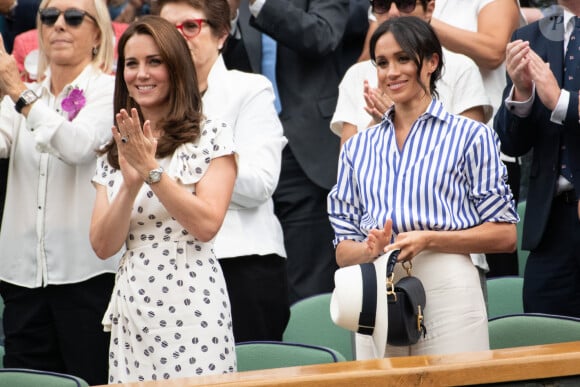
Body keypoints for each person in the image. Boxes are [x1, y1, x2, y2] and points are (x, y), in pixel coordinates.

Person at [328, 16, 518, 356]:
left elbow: (504, 236)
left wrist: (430, 238)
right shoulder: (358, 147)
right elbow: (343, 251)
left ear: (431, 62)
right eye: (382, 63)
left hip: (448, 281)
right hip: (374, 286)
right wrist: (368, 250)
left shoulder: (471, 135)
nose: (391, 72)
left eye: (403, 59)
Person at [90, 15, 238, 383]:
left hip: (193, 307)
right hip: (132, 304)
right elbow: (103, 245)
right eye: (132, 63)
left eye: (154, 61)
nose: (141, 74)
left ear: (176, 66)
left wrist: (151, 171)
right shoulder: (113, 147)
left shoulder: (211, 134)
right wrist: (129, 184)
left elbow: (206, 225)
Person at [154, 0, 289, 343]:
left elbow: (260, 183)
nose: (179, 37)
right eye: (169, 30)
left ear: (222, 35)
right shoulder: (150, 100)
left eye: (191, 26)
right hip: (168, 270)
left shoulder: (249, 89)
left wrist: (190, 165)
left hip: (241, 263)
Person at [0, 0, 118, 384]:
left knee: (92, 378)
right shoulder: (23, 96)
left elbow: (78, 146)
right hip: (22, 277)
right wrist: (18, 95)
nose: (59, 25)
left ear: (98, 32)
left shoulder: (109, 90)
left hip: (86, 275)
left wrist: (18, 93)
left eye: (73, 17)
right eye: (49, 17)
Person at [222, 0, 350, 304]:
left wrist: (259, 4)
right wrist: (225, 18)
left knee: (309, 287)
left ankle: (314, 351)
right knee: (257, 280)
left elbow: (323, 36)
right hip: (248, 150)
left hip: (305, 153)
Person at [494, 1, 580, 317]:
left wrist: (561, 102)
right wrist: (520, 91)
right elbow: (510, 143)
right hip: (550, 225)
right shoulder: (531, 36)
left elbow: (558, 100)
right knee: (546, 344)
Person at [429, 0, 525, 278]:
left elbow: (494, 51)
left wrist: (421, 22)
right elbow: (373, 56)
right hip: (421, 156)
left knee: (493, 271)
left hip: (489, 155)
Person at [332, 0, 492, 146]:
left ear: (429, 9)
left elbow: (470, 151)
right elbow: (348, 168)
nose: (393, 13)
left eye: (405, 4)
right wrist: (379, 123)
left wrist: (403, 122)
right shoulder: (356, 74)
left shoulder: (461, 67)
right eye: (382, 5)